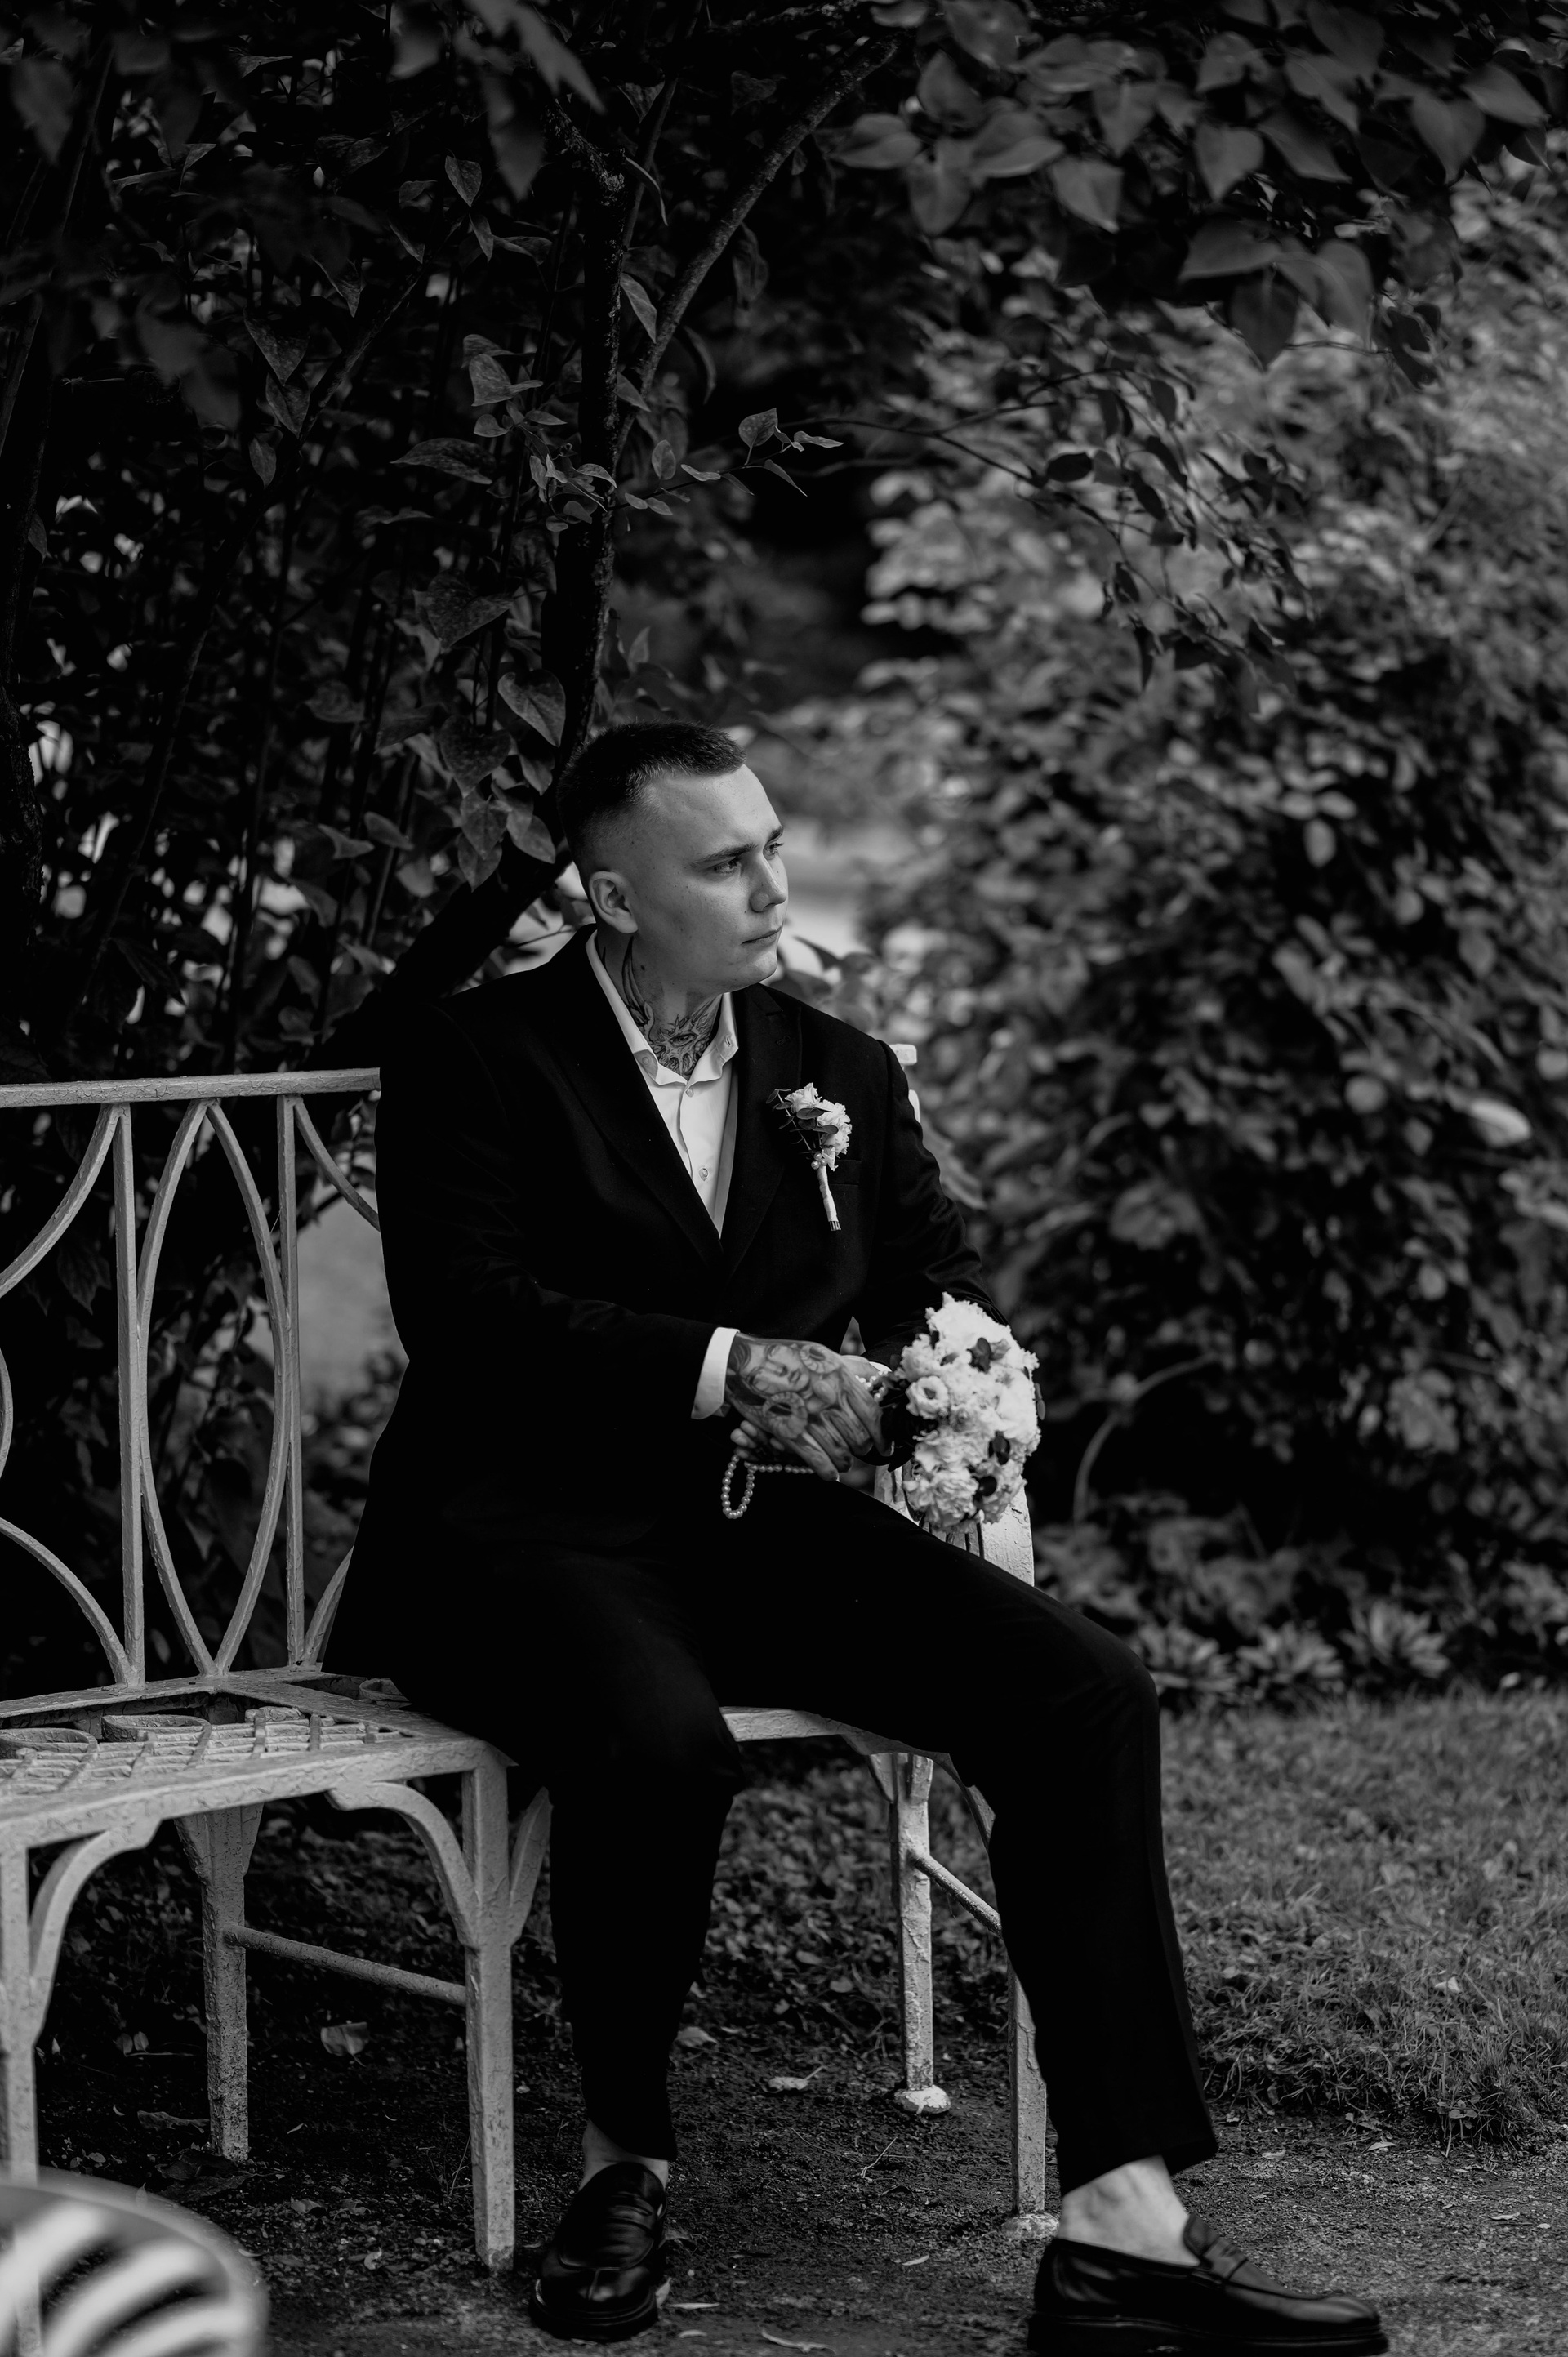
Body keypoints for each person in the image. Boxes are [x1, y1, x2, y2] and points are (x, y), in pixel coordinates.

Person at [331, 720, 1385, 2355]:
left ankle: (1122, 2229)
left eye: (771, 846)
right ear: (614, 897)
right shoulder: (476, 1056)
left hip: (763, 1530)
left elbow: (922, 1290)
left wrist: (956, 1392)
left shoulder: (838, 1070)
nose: (773, 885)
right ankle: (624, 2164)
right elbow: (474, 1321)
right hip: (526, 1537)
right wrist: (734, 1366)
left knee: (1085, 1689)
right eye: (725, 862)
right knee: (662, 1742)